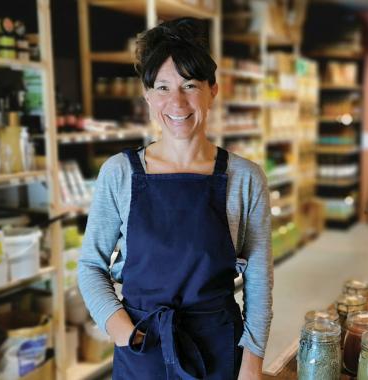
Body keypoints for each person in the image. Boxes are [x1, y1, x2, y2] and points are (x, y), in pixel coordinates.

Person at [77, 17, 273, 380]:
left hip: (217, 347)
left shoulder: (245, 178)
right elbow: (90, 265)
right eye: (162, 87)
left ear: (213, 89)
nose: (176, 101)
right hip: (143, 345)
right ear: (147, 96)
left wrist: (252, 362)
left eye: (190, 85)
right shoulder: (119, 173)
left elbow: (259, 279)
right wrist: (121, 330)